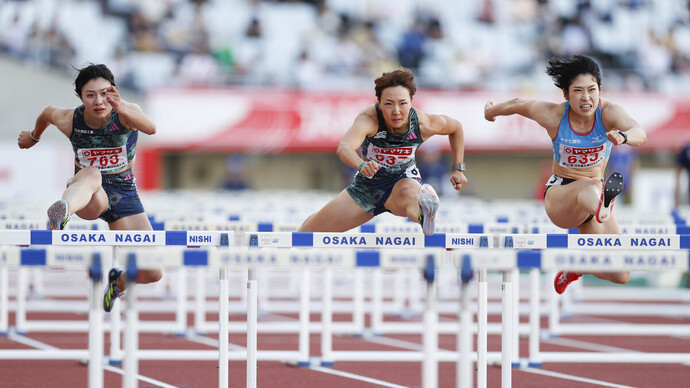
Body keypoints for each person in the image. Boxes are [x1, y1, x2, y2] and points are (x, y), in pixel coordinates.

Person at [484, 55, 647, 294]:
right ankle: (602, 205)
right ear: (566, 94)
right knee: (592, 185)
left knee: (621, 273)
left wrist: (623, 137)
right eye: (578, 91)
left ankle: (576, 266)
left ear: (600, 90)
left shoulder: (610, 113)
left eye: (592, 90)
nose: (586, 97)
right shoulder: (554, 115)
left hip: (593, 203)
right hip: (561, 196)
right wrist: (491, 111)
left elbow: (639, 132)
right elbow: (519, 104)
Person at [17, 63, 162, 312]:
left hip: (124, 192)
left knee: (153, 271)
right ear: (81, 97)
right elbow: (48, 113)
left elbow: (151, 128)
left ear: (113, 92)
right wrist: (34, 136)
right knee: (93, 174)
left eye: (104, 93)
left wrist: (121, 106)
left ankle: (117, 284)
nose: (98, 101)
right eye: (90, 95)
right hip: (86, 192)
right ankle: (62, 211)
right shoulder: (70, 119)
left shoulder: (127, 112)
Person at [299, 68, 468, 235]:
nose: (396, 111)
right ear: (379, 103)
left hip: (403, 179)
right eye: (388, 104)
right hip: (367, 187)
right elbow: (344, 148)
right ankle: (420, 209)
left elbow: (456, 128)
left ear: (411, 101)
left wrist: (458, 169)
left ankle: (423, 212)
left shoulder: (423, 123)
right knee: (307, 233)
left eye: (403, 103)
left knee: (409, 194)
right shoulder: (369, 119)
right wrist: (361, 164)